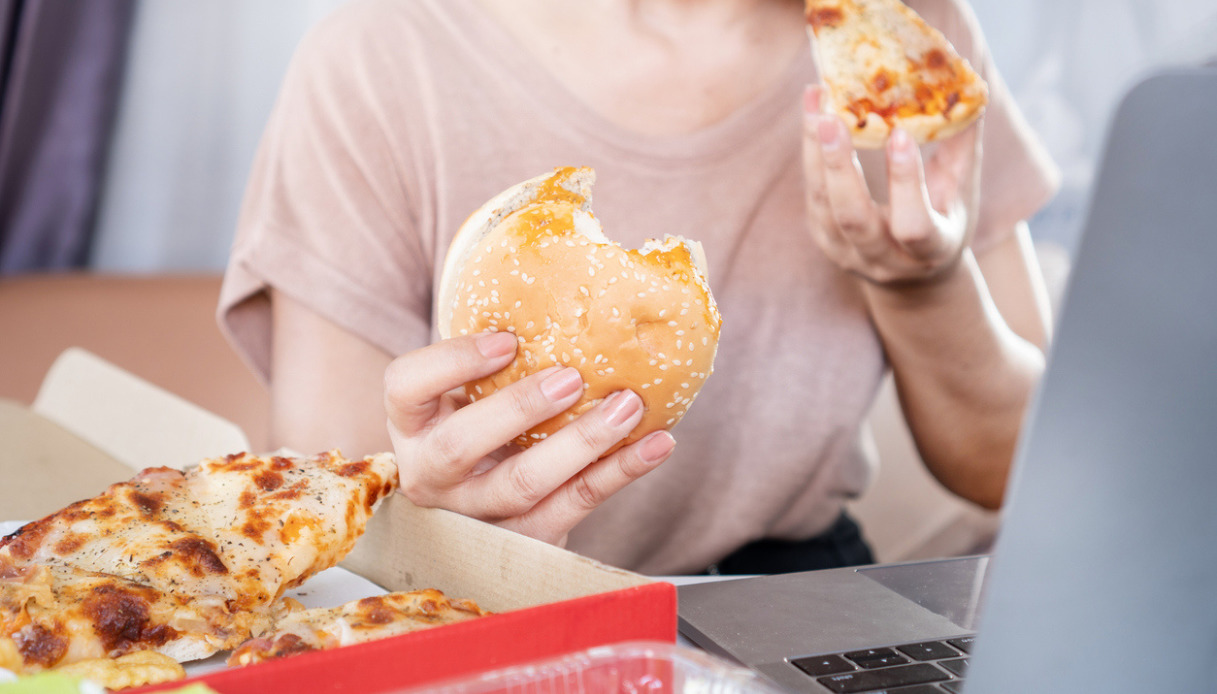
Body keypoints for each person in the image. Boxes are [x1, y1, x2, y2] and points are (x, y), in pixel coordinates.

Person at [218, 0, 1059, 576]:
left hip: (795, 591)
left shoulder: (899, 47)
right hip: (478, 609)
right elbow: (324, 512)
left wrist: (919, 285)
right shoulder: (381, 54)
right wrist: (443, 520)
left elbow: (1023, 469)